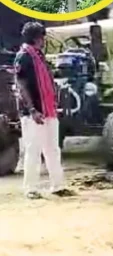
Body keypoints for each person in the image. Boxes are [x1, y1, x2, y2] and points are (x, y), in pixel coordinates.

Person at [14, 22, 74, 199]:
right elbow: (21, 85)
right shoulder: (23, 57)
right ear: (36, 38)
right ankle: (30, 188)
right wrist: (32, 109)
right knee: (33, 150)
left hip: (48, 111)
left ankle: (57, 185)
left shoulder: (39, 56)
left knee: (52, 149)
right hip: (34, 113)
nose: (44, 40)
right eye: (42, 37)